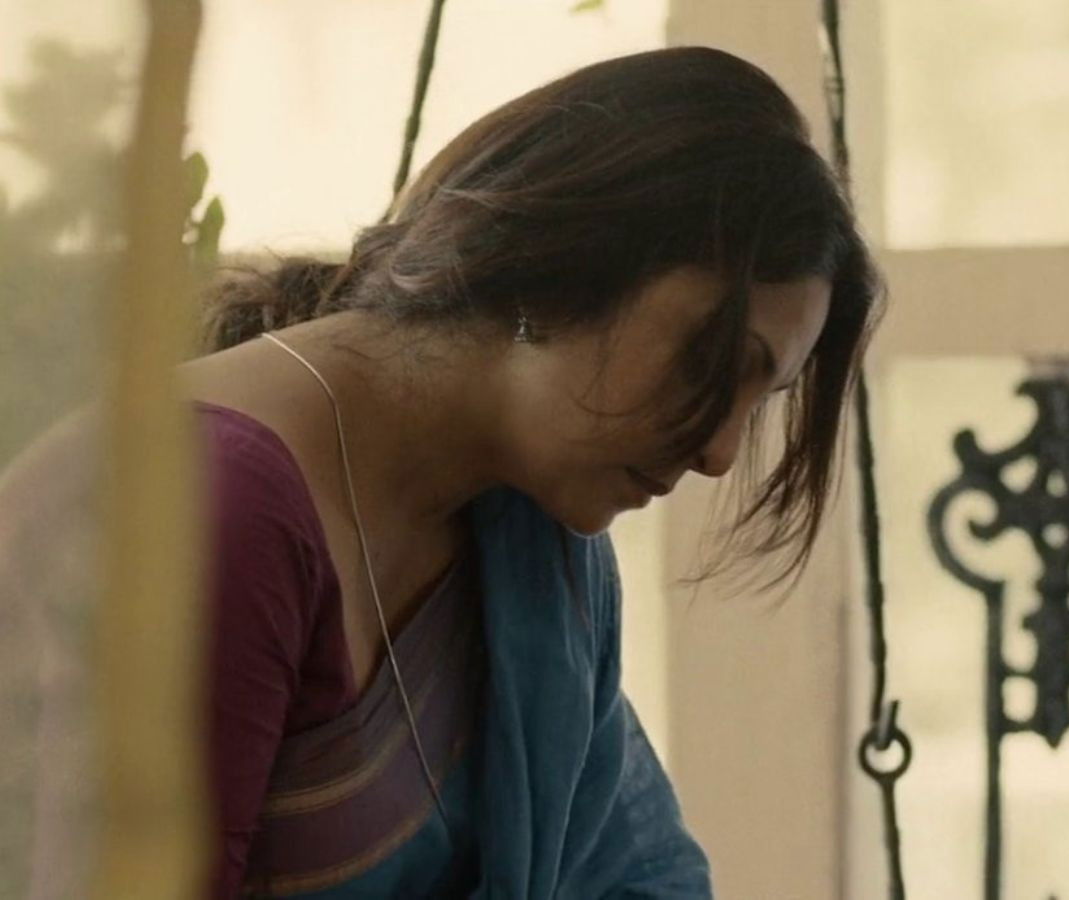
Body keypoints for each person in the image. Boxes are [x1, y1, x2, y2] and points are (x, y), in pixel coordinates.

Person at [179, 46, 880, 897]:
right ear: (560, 264)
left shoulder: (538, 546)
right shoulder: (212, 502)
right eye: (713, 362)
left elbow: (638, 876)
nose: (720, 452)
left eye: (759, 400)